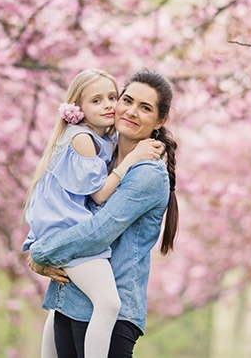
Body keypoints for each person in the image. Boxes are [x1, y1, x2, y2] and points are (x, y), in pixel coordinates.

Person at [29, 69, 179, 358]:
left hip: (114, 313)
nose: (131, 111)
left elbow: (99, 232)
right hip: (73, 300)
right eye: (127, 100)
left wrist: (41, 253)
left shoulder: (147, 173)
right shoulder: (100, 154)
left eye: (145, 108)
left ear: (159, 121)